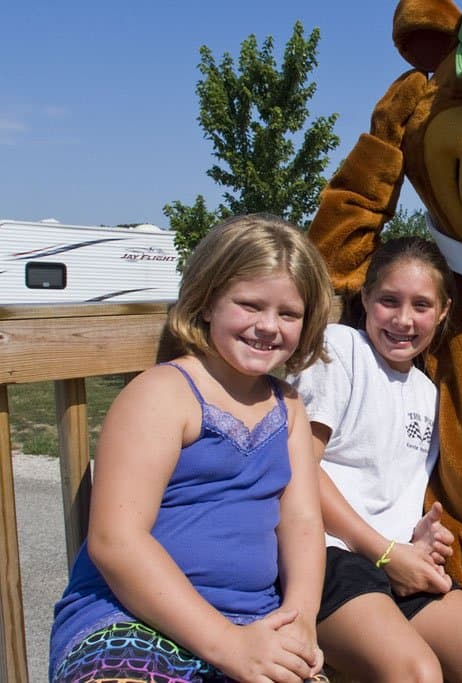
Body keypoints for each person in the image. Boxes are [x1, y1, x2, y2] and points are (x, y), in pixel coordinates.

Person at [49, 214, 335, 683]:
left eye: (288, 314)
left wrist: (301, 617)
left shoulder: (288, 407)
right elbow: (116, 542)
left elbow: (302, 522)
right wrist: (228, 645)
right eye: (249, 305)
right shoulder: (164, 393)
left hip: (255, 622)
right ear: (206, 303)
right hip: (131, 619)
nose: (268, 326)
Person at [288, 236, 462, 683]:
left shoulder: (427, 392)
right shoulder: (341, 349)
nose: (403, 320)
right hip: (327, 555)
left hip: (398, 560)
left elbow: (393, 486)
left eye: (421, 305)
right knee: (416, 673)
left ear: (442, 312)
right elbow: (299, 468)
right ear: (364, 299)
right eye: (388, 301)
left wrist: (421, 534)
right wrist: (383, 552)